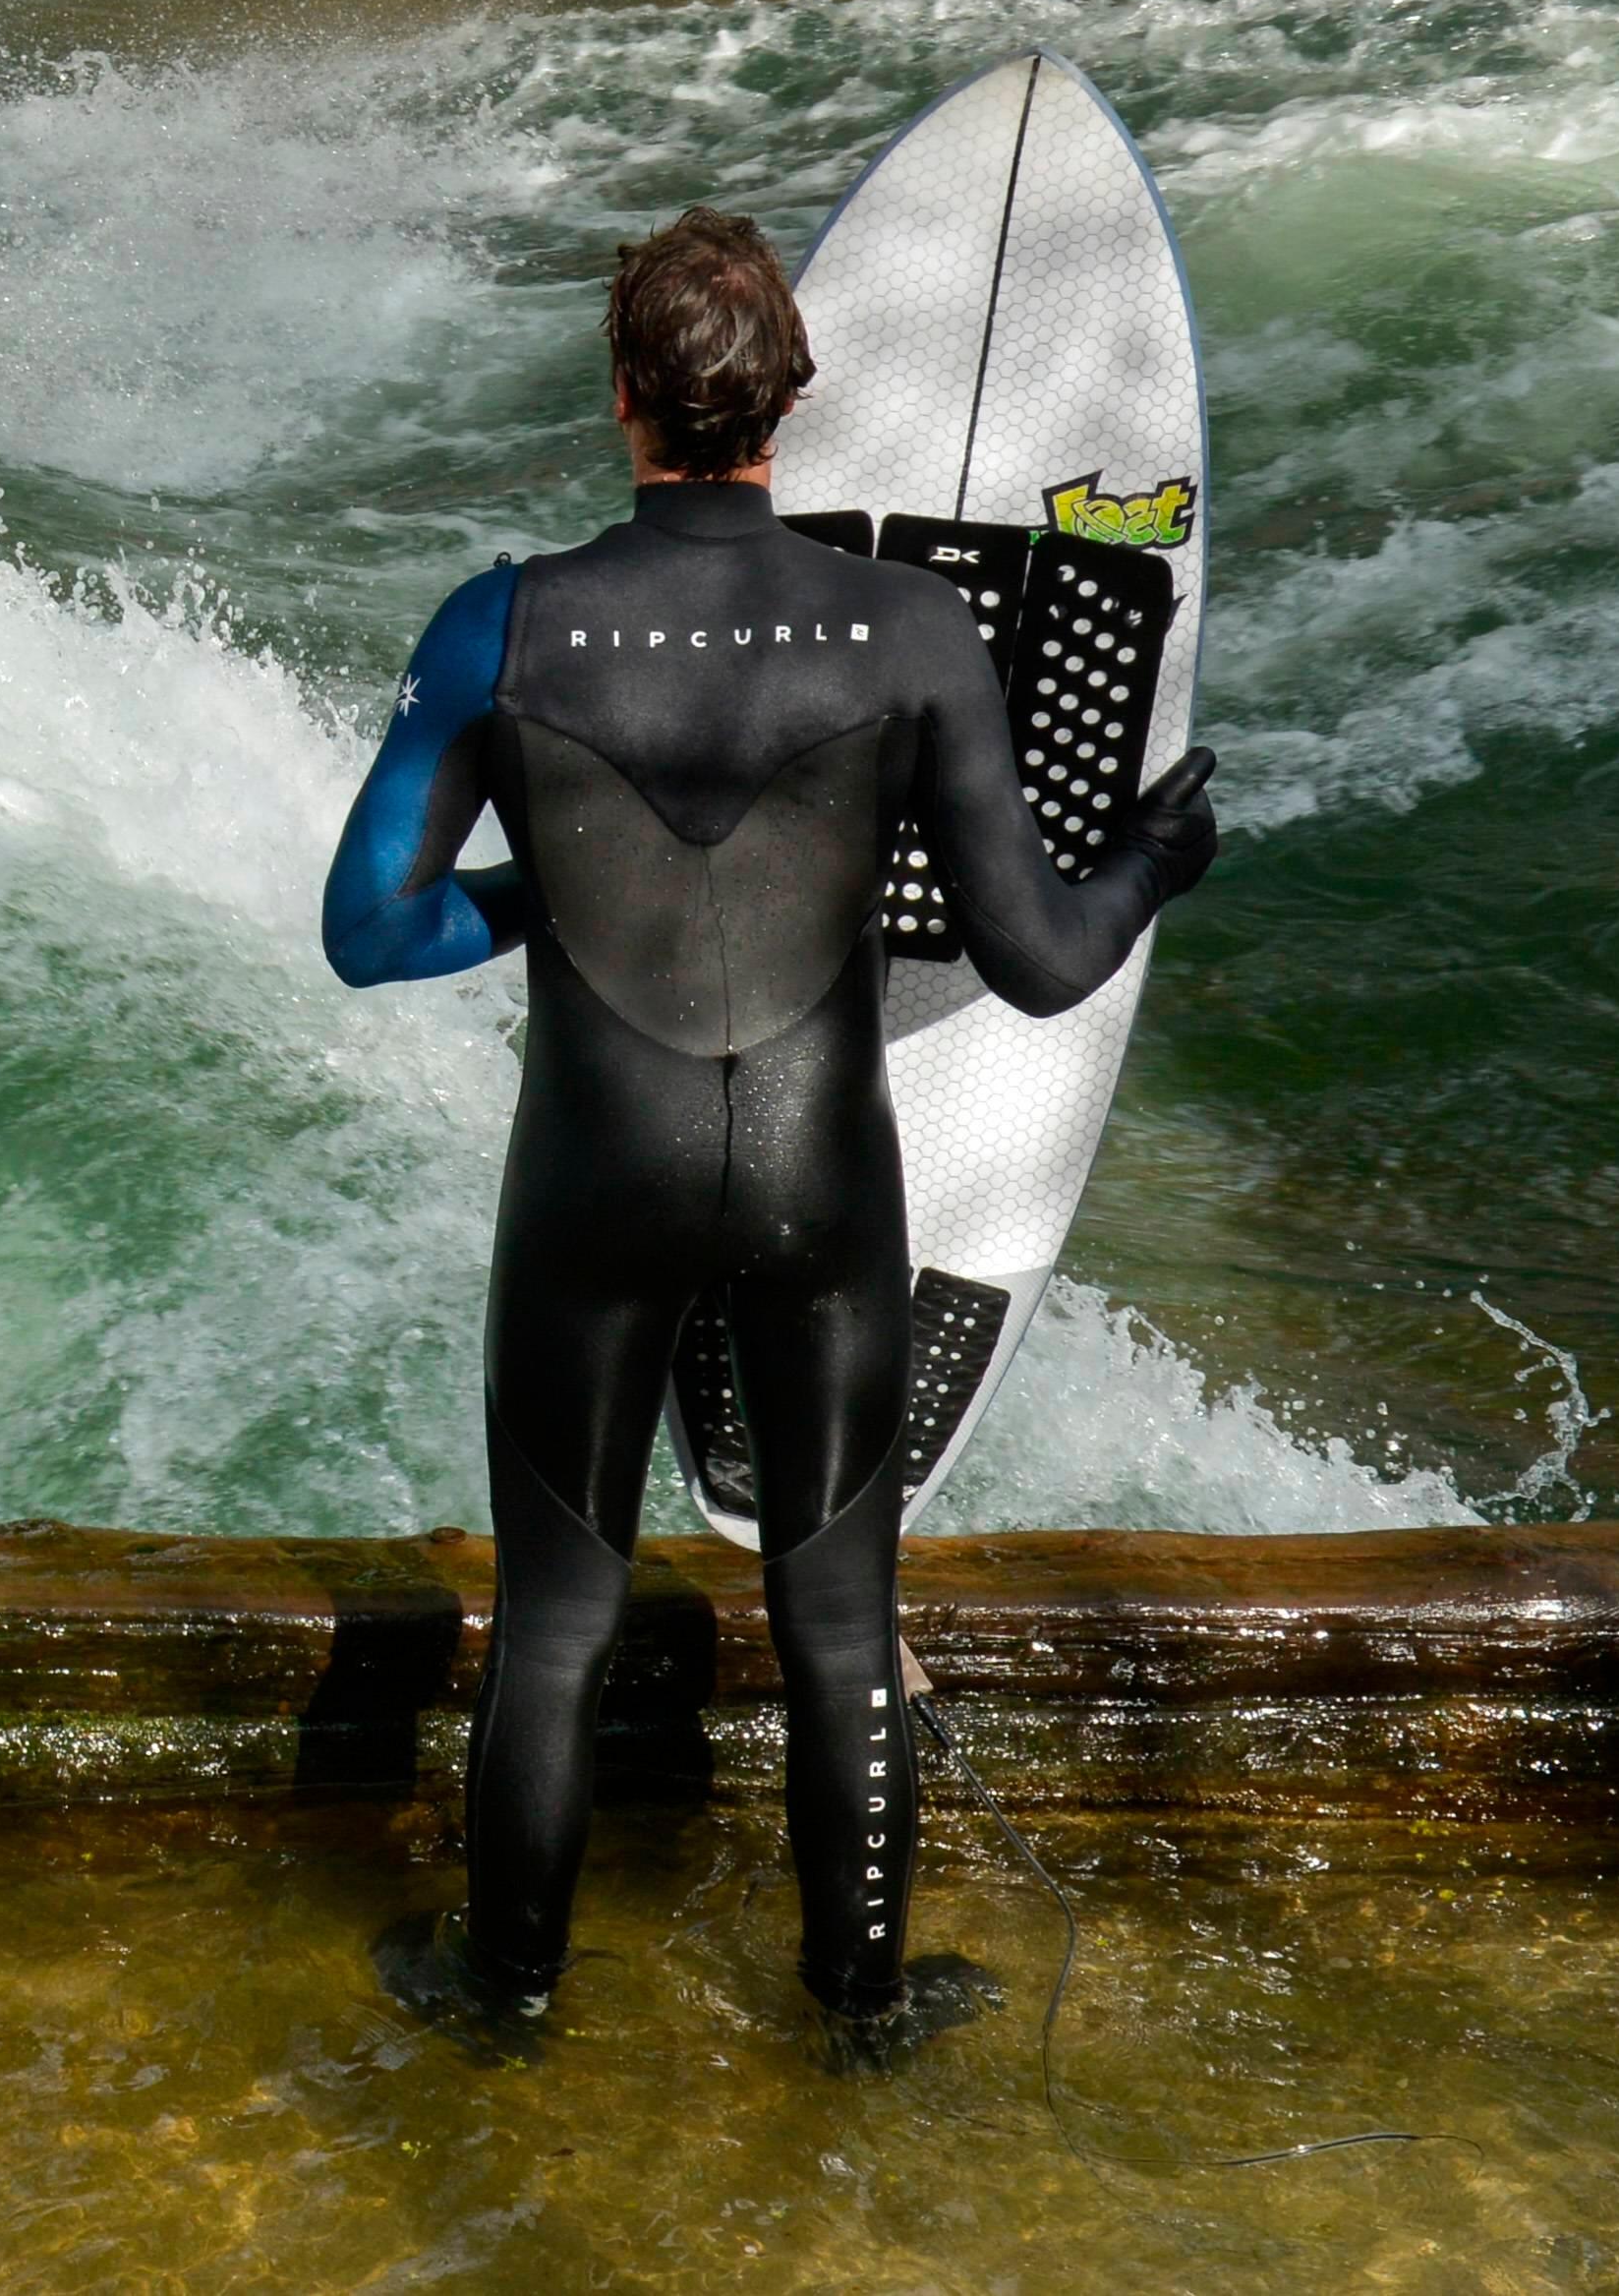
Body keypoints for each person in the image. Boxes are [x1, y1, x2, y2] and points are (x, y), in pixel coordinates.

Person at [320, 207, 1220, 2062]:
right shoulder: (911, 630)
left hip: (593, 1181)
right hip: (822, 1183)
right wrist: (1154, 855)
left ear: (626, 398)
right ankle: (866, 2006)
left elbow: (368, 932)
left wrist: (548, 892)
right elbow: (1041, 963)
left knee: (559, 1613)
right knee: (836, 1611)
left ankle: (506, 1992)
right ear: (786, 408)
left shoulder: (502, 622)